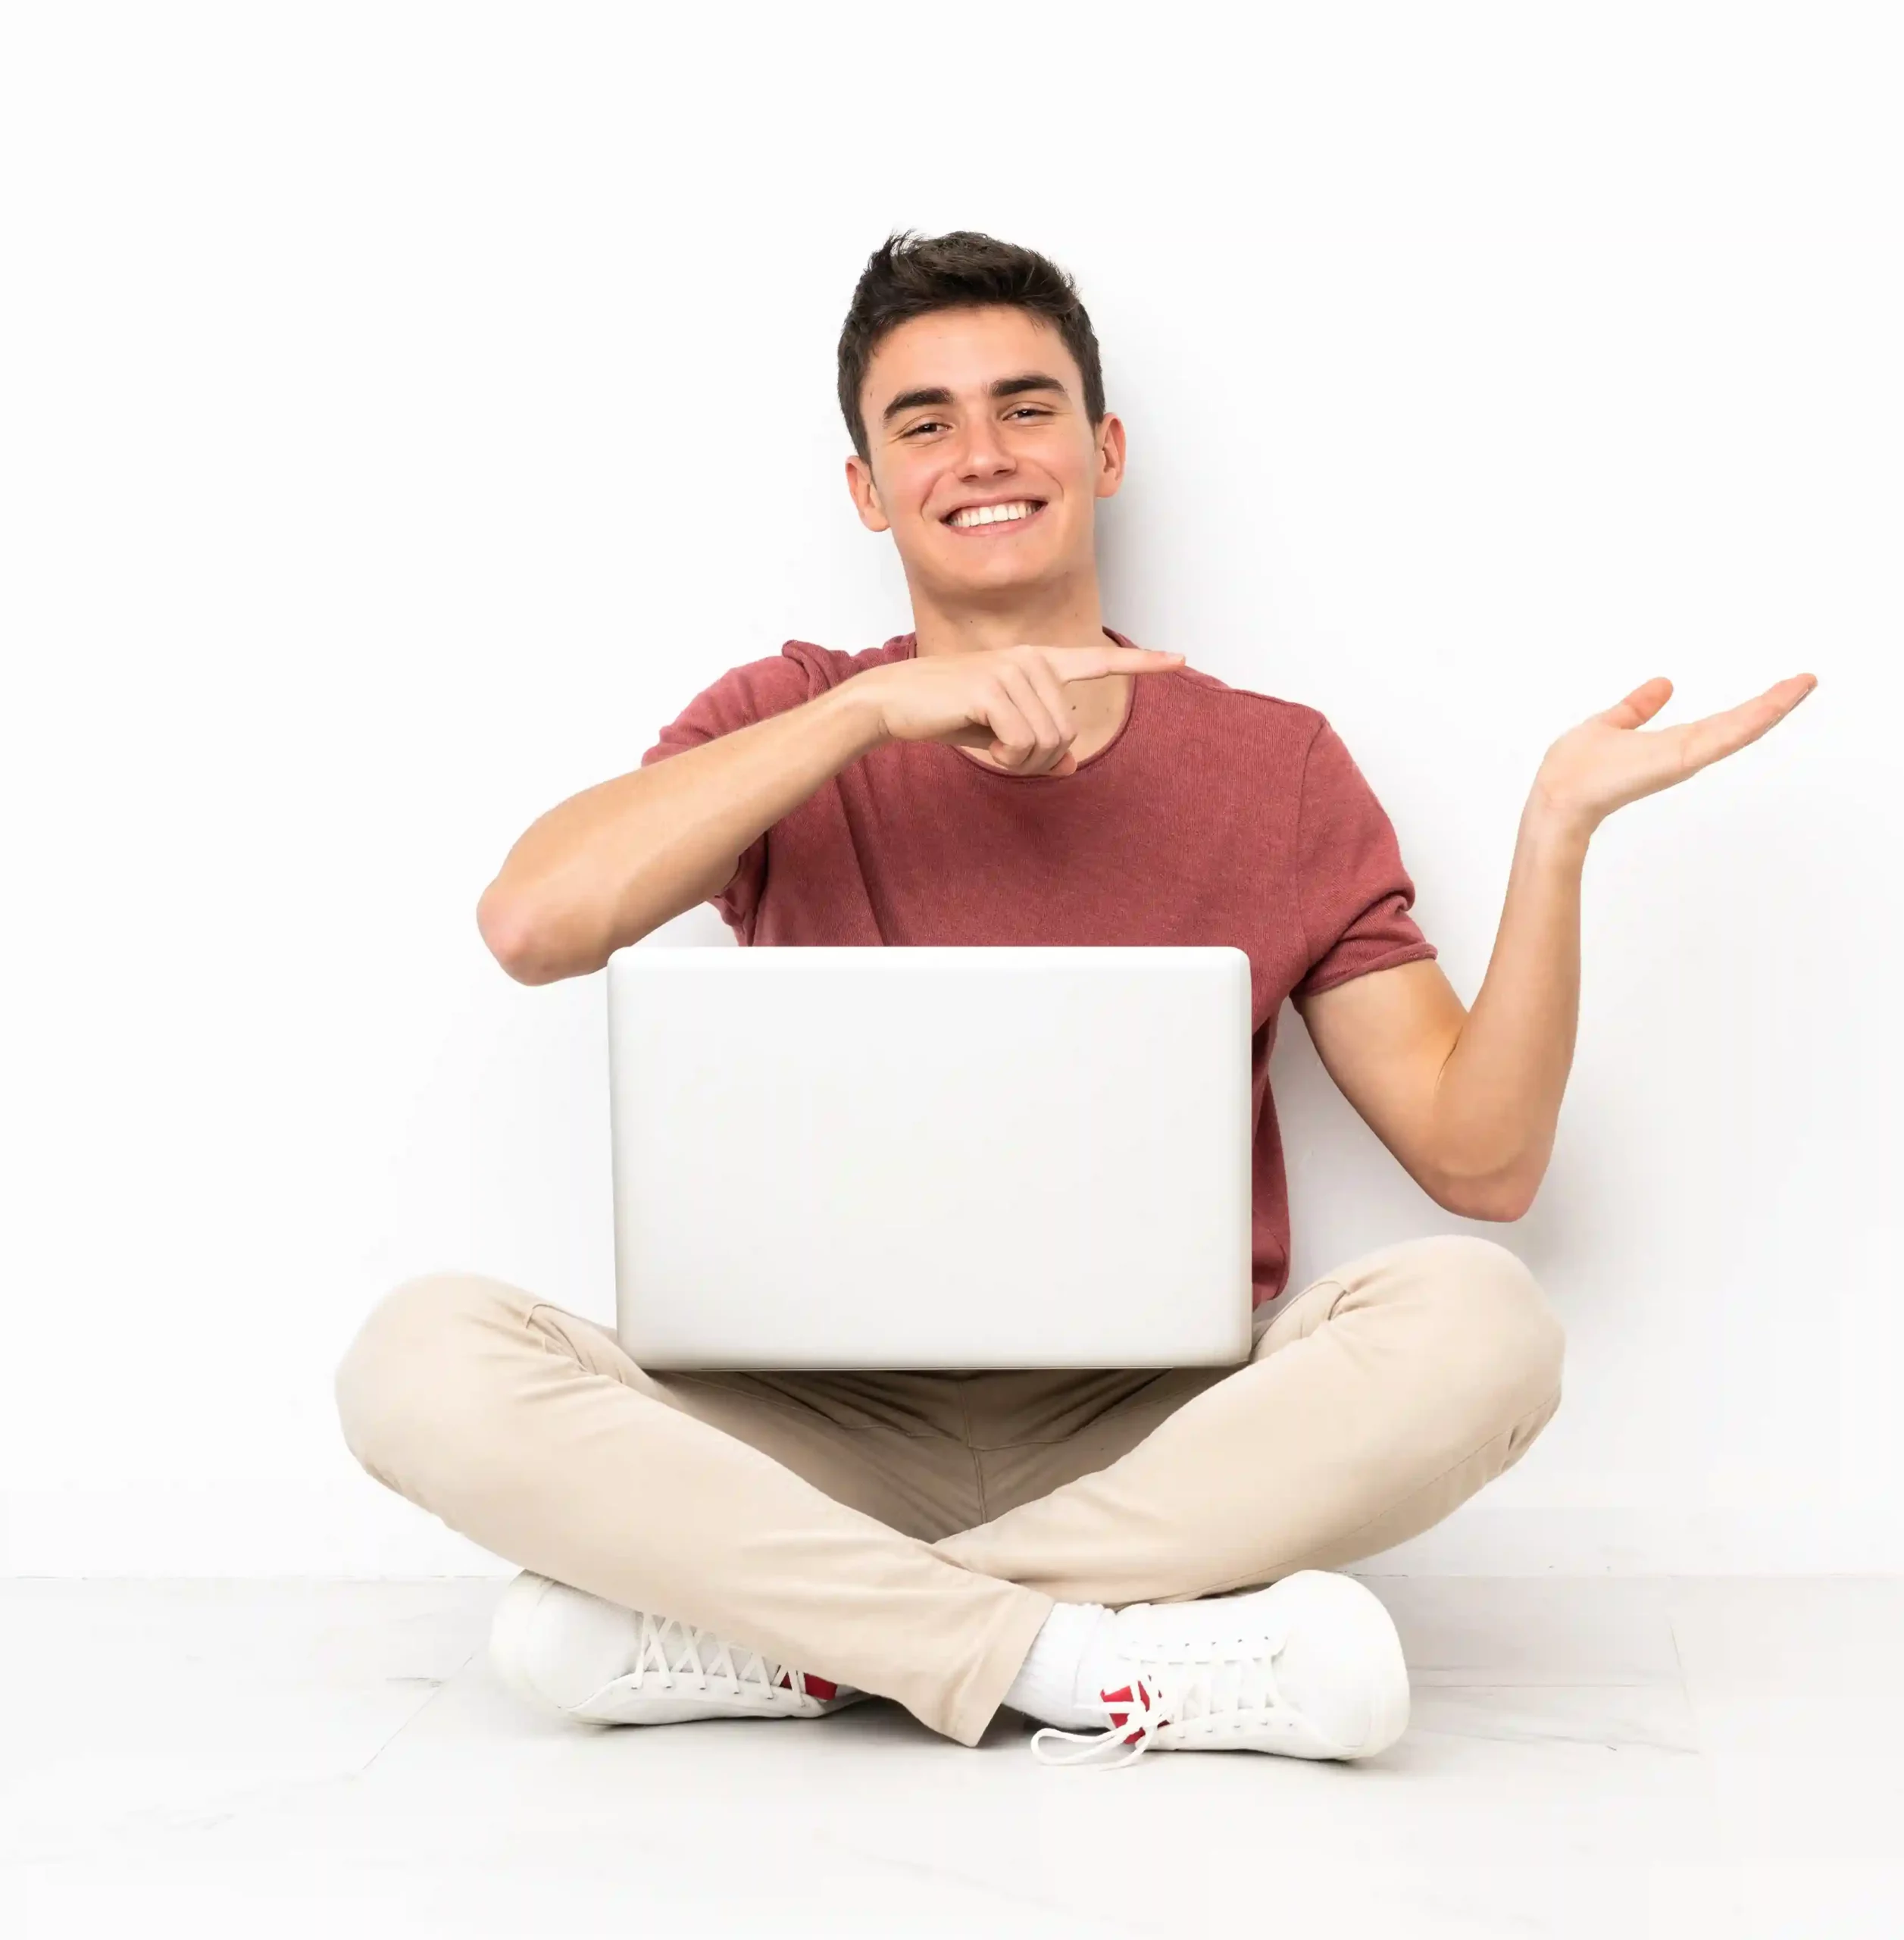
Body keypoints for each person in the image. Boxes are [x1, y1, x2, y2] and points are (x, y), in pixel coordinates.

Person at [334, 230, 1815, 1770]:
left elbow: (1481, 1159)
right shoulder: (785, 718)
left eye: (1024, 407)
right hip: (808, 1426)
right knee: (419, 1356)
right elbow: (532, 919)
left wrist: (1552, 834)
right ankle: (1082, 1654)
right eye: (922, 422)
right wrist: (862, 711)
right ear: (866, 488)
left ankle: (810, 1636)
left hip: (1157, 1428)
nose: (979, 453)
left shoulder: (1273, 762)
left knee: (1480, 1325)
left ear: (1100, 452)